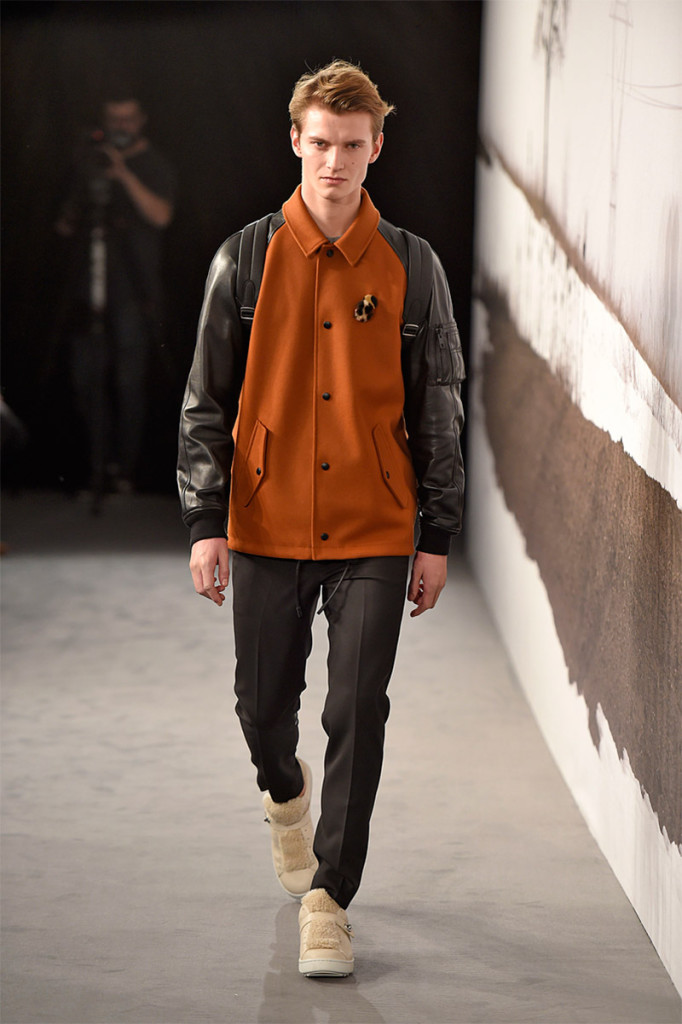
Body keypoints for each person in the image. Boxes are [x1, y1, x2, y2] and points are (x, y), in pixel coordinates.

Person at [177, 60, 465, 977]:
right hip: (264, 521)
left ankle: (330, 900)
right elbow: (205, 402)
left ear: (376, 148)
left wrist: (437, 534)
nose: (335, 162)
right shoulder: (243, 260)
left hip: (376, 526)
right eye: (321, 144)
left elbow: (440, 406)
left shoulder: (413, 266)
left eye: (352, 145)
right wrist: (206, 521)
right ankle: (283, 792)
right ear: (295, 141)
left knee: (357, 709)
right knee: (262, 708)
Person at [56, 93, 176, 493]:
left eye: (128, 119)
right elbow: (65, 224)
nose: (121, 127)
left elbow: (161, 215)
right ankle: (97, 464)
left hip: (133, 292)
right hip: (88, 290)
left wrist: (123, 174)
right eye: (114, 119)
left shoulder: (154, 164)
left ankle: (125, 470)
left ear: (141, 121)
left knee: (128, 382)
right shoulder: (90, 162)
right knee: (84, 378)